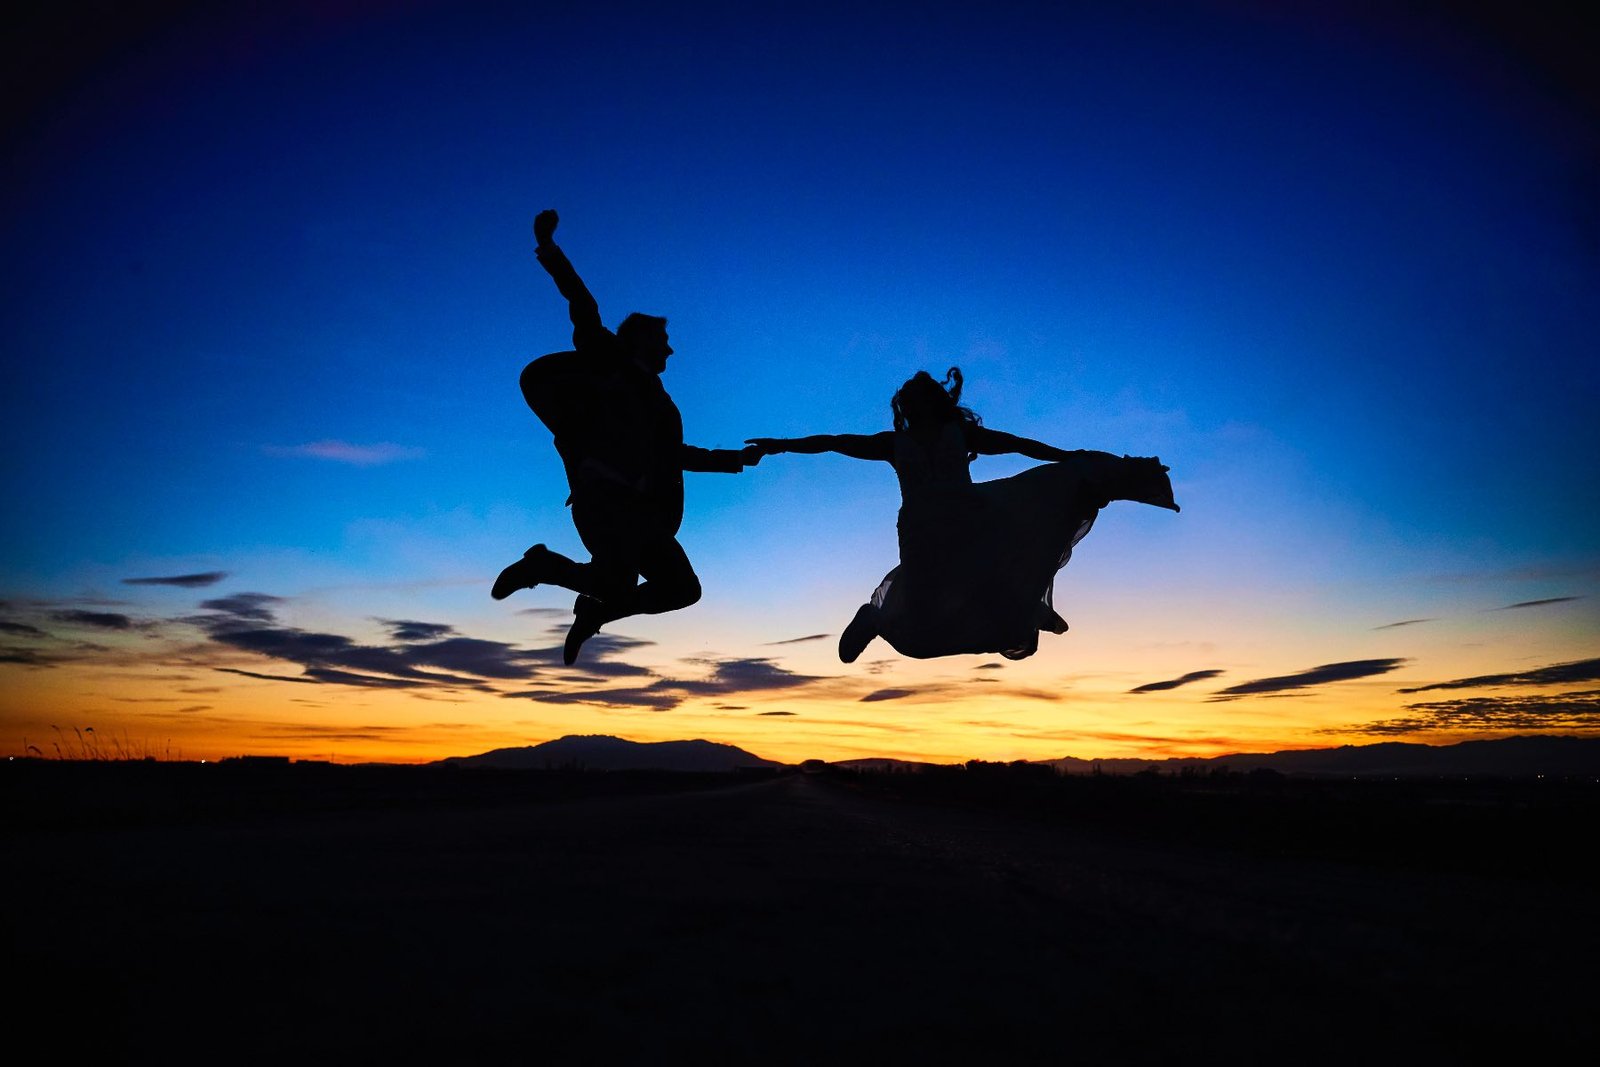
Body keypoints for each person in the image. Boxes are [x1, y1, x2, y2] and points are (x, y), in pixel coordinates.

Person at [746, 367, 1178, 663]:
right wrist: (780, 444)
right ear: (905, 408)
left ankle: (1030, 609)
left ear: (933, 401)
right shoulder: (892, 443)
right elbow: (834, 441)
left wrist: (1067, 456)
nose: (912, 407)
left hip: (968, 515)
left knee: (1000, 558)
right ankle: (874, 618)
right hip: (922, 527)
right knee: (925, 596)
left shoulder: (960, 433)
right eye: (907, 403)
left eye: (919, 400)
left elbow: (1018, 444)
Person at [493, 210, 760, 664]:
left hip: (648, 514)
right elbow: (581, 301)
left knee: (681, 589)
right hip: (608, 501)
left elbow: (672, 454)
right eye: (664, 339)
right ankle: (547, 569)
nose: (671, 349)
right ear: (640, 341)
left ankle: (594, 611)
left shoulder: (660, 400)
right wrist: (549, 249)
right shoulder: (607, 361)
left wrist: (734, 459)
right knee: (614, 582)